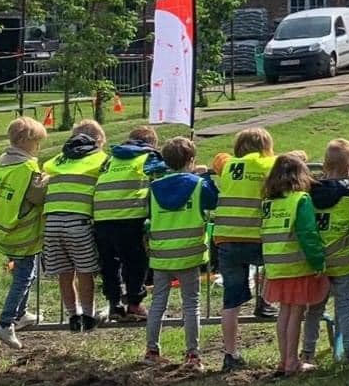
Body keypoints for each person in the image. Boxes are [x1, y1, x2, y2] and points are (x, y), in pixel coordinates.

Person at [143, 135, 217, 368]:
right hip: (188, 254)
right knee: (191, 304)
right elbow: (213, 201)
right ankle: (192, 354)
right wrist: (204, 176)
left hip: (161, 255)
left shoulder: (153, 187)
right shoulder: (197, 184)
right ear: (191, 160)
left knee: (158, 304)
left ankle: (151, 351)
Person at [211, 127, 277, 373]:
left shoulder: (228, 165)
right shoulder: (269, 164)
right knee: (276, 265)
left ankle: (230, 353)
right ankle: (266, 300)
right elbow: (288, 162)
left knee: (231, 299)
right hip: (257, 236)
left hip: (226, 238)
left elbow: (219, 158)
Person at [259, 151, 328, 376]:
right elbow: (308, 233)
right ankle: (292, 361)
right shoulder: (301, 200)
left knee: (284, 314)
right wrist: (318, 261)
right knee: (296, 314)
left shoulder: (268, 203)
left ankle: (283, 360)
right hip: (296, 264)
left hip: (275, 265)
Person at [0, 116, 49, 350]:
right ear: (25, 141)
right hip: (22, 232)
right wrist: (49, 180)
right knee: (23, 277)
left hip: (3, 228)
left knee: (24, 273)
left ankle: (21, 314)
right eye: (37, 143)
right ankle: (5, 322)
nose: (38, 148)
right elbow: (37, 196)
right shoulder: (26, 167)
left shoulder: (2, 162)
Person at [40, 119, 110, 331]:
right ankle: (88, 316)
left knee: (64, 272)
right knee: (84, 271)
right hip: (78, 222)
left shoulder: (57, 160)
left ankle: (73, 316)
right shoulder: (101, 159)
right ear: (98, 141)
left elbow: (46, 173)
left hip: (52, 222)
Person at [92, 124, 164, 324]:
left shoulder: (111, 159)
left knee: (109, 263)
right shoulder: (148, 157)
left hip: (102, 217)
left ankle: (114, 304)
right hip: (129, 215)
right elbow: (161, 178)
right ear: (151, 143)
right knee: (135, 262)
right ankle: (134, 304)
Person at [301, 138, 349, 365]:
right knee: (346, 308)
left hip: (318, 263)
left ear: (324, 165)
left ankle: (307, 352)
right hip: (344, 262)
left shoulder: (308, 195)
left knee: (314, 310)